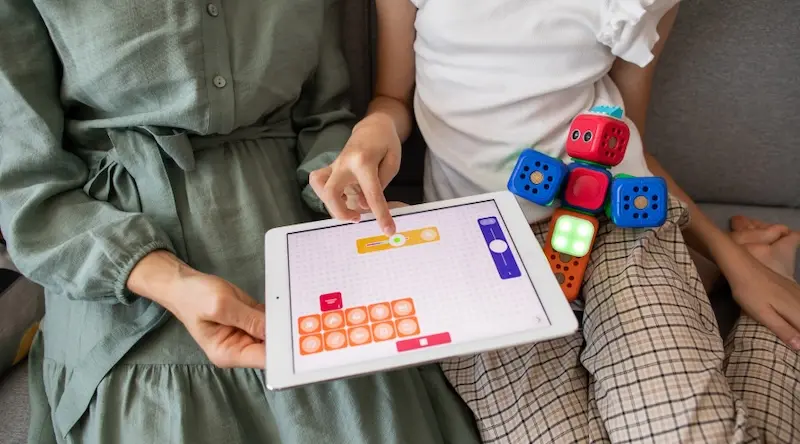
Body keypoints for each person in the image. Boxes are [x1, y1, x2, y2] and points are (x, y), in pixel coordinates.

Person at [312, 0, 800, 442]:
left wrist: (738, 266)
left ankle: (755, 269)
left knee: (690, 433)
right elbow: (391, 99)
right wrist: (373, 129)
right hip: (482, 250)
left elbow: (632, 143)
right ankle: (762, 283)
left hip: (616, 224)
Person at [0, 1, 483, 443]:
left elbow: (323, 115)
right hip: (122, 283)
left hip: (301, 252)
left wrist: (346, 191)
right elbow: (26, 192)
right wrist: (169, 281)